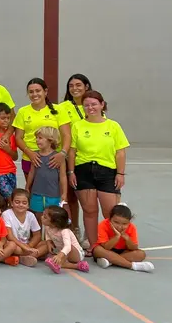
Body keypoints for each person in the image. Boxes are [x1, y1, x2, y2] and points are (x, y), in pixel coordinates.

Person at [68, 90, 129, 248]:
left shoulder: (113, 126)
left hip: (107, 172)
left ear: (102, 105)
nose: (90, 107)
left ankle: (115, 245)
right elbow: (72, 151)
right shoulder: (77, 126)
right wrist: (71, 172)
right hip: (83, 171)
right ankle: (94, 246)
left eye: (94, 104)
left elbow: (120, 152)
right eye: (86, 105)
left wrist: (120, 173)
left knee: (111, 212)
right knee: (89, 211)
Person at [13, 78, 70, 186]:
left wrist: (62, 153)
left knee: (53, 194)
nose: (34, 94)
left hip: (53, 159)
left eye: (38, 91)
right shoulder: (22, 111)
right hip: (30, 159)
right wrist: (30, 153)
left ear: (45, 91)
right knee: (33, 192)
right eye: (31, 92)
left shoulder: (59, 110)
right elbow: (18, 138)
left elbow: (66, 135)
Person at [60, 74, 93, 245]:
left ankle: (90, 232)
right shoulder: (63, 107)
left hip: (89, 157)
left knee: (88, 199)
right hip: (70, 157)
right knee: (71, 197)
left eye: (78, 85)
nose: (75, 88)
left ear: (86, 86)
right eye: (71, 85)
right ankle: (75, 229)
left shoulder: (93, 104)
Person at [93, 204, 154, 273]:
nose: (120, 227)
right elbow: (106, 247)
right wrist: (117, 236)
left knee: (141, 254)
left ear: (129, 222)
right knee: (97, 250)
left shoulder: (132, 227)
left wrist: (127, 239)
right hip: (107, 250)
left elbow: (134, 248)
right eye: (116, 222)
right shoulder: (103, 225)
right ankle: (132, 266)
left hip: (123, 252)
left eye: (124, 224)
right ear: (110, 219)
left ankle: (111, 261)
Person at [27, 127, 67, 221]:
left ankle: (49, 236)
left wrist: (64, 193)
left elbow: (63, 176)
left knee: (52, 218)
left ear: (50, 140)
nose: (37, 140)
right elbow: (31, 172)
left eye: (40, 138)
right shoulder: (35, 155)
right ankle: (39, 235)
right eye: (36, 138)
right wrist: (27, 187)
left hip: (53, 194)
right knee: (38, 217)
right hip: (37, 193)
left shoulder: (58, 158)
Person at [2, 188, 47, 266]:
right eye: (17, 202)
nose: (20, 205)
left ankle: (24, 257)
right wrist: (25, 248)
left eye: (24, 203)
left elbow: (37, 235)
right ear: (12, 203)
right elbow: (10, 237)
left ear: (28, 205)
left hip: (27, 244)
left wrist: (29, 246)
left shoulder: (30, 215)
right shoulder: (6, 214)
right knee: (11, 246)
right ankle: (28, 256)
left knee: (47, 244)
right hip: (15, 245)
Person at [42, 205, 89, 273]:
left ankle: (76, 265)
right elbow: (48, 233)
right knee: (46, 253)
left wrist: (60, 255)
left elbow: (68, 246)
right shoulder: (48, 226)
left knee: (70, 247)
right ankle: (64, 263)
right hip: (62, 251)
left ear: (54, 223)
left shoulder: (64, 231)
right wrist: (48, 241)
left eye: (45, 217)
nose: (42, 217)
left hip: (76, 254)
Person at [0, 103, 19, 199]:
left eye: (8, 118)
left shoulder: (10, 135)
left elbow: (15, 157)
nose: (6, 121)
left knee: (10, 201)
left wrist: (7, 149)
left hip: (11, 172)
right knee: (11, 199)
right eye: (3, 118)